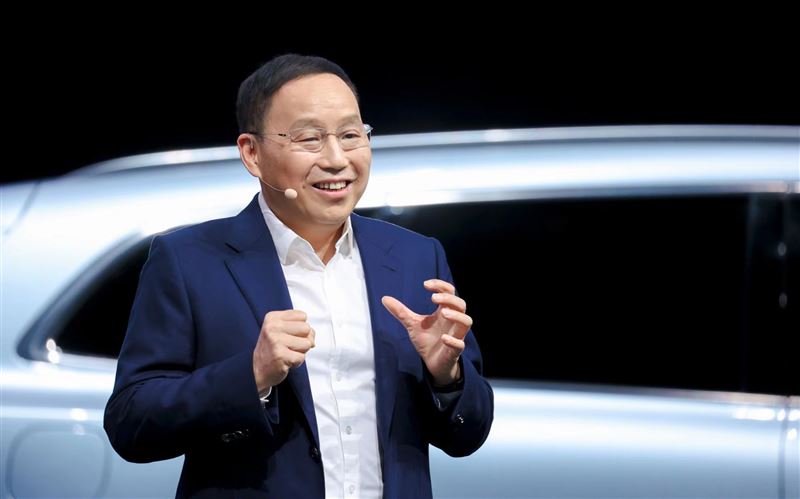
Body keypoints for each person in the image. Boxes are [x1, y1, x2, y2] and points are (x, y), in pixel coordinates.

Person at [104, 53, 494, 499]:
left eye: (351, 135)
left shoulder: (416, 257)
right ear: (252, 153)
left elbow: (469, 433)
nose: (337, 159)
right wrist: (251, 375)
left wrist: (448, 377)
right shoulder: (189, 260)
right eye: (310, 139)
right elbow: (131, 423)